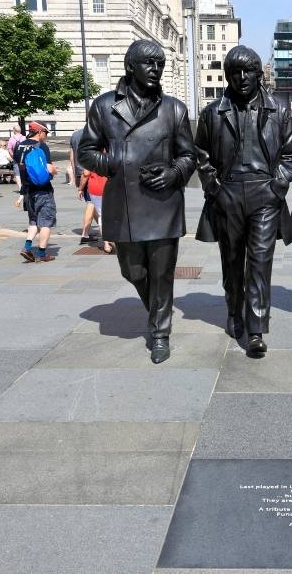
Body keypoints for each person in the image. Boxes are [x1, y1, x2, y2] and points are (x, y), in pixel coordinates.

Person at [78, 39, 196, 364]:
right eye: (149, 63)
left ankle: (160, 333)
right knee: (133, 272)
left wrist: (174, 173)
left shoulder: (174, 109)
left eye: (159, 64)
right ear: (131, 67)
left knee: (162, 273)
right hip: (125, 204)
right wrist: (111, 164)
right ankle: (159, 308)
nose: (156, 69)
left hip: (163, 203)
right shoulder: (104, 107)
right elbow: (86, 150)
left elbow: (189, 155)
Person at [195, 45, 292, 356]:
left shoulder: (278, 109)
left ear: (258, 74)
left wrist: (277, 186)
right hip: (227, 194)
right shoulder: (213, 113)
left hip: (264, 195)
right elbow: (201, 155)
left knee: (259, 261)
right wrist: (214, 187)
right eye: (235, 72)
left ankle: (256, 328)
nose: (242, 77)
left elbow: (291, 153)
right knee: (232, 261)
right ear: (227, 75)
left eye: (248, 71)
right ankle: (233, 309)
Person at [14, 121, 58, 262]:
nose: (46, 136)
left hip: (27, 190)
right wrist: (54, 172)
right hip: (42, 190)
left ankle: (27, 247)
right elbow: (49, 168)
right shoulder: (41, 146)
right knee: (46, 222)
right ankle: (41, 254)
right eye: (45, 133)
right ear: (39, 132)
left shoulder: (19, 146)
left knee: (33, 220)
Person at [70, 127, 98, 244]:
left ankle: (104, 228)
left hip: (79, 171)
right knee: (91, 203)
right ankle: (85, 234)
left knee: (94, 203)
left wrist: (74, 171)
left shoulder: (75, 135)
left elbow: (72, 156)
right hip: (90, 172)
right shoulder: (95, 134)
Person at [79, 167, 113, 254]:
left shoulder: (90, 156)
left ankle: (106, 244)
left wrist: (80, 188)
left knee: (101, 215)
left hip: (95, 189)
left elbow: (86, 173)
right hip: (110, 186)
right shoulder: (111, 154)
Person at [7, 124, 26, 190]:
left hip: (16, 158)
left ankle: (20, 188)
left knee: (17, 173)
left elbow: (9, 149)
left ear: (14, 131)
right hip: (23, 158)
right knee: (24, 171)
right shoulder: (24, 138)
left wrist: (13, 156)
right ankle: (25, 186)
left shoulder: (11, 139)